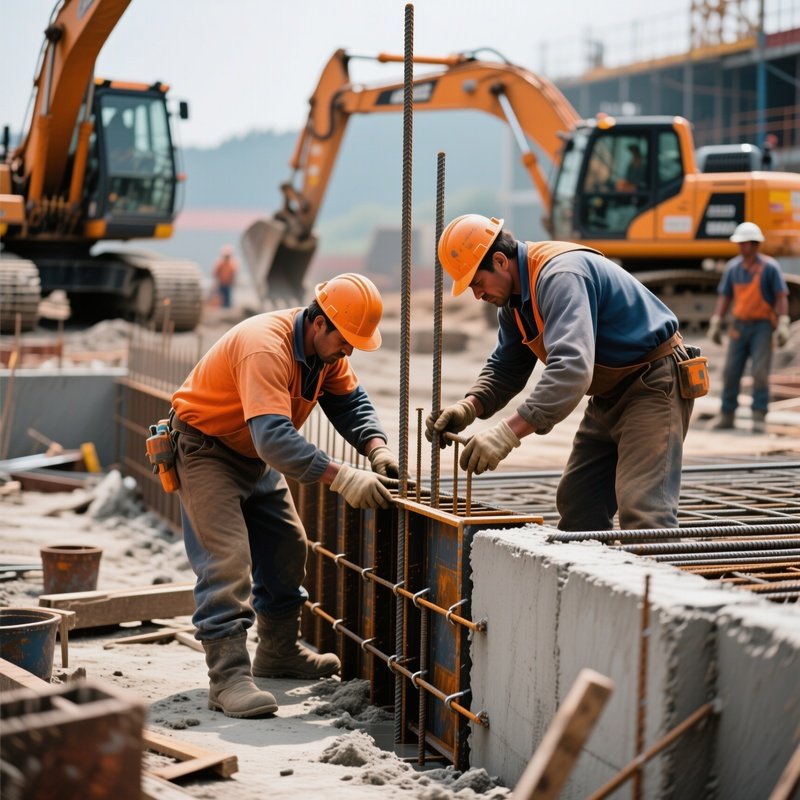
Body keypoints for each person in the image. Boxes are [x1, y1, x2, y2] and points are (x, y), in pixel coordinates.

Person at [170, 273, 399, 718]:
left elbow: (349, 403)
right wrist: (343, 477)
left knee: (288, 544)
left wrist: (376, 446)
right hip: (205, 449)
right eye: (346, 340)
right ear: (320, 324)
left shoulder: (326, 353)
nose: (349, 350)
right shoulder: (266, 346)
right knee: (227, 559)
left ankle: (277, 651)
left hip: (249, 452)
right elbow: (274, 439)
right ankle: (228, 678)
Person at [427, 214, 696, 532]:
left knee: (644, 510)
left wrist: (507, 434)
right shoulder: (515, 304)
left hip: (653, 383)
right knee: (580, 504)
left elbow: (571, 369)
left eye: (477, 283)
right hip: (610, 393)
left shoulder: (559, 275)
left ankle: (656, 579)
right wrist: (469, 407)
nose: (476, 295)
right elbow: (507, 367)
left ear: (500, 261)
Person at [708, 221, 790, 433]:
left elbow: (781, 296)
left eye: (749, 243)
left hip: (762, 326)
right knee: (731, 371)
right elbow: (725, 296)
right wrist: (717, 320)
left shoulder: (769, 267)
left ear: (756, 245)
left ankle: (759, 415)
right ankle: (727, 414)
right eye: (742, 243)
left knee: (760, 371)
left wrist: (782, 322)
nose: (745, 247)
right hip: (739, 325)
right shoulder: (733, 268)